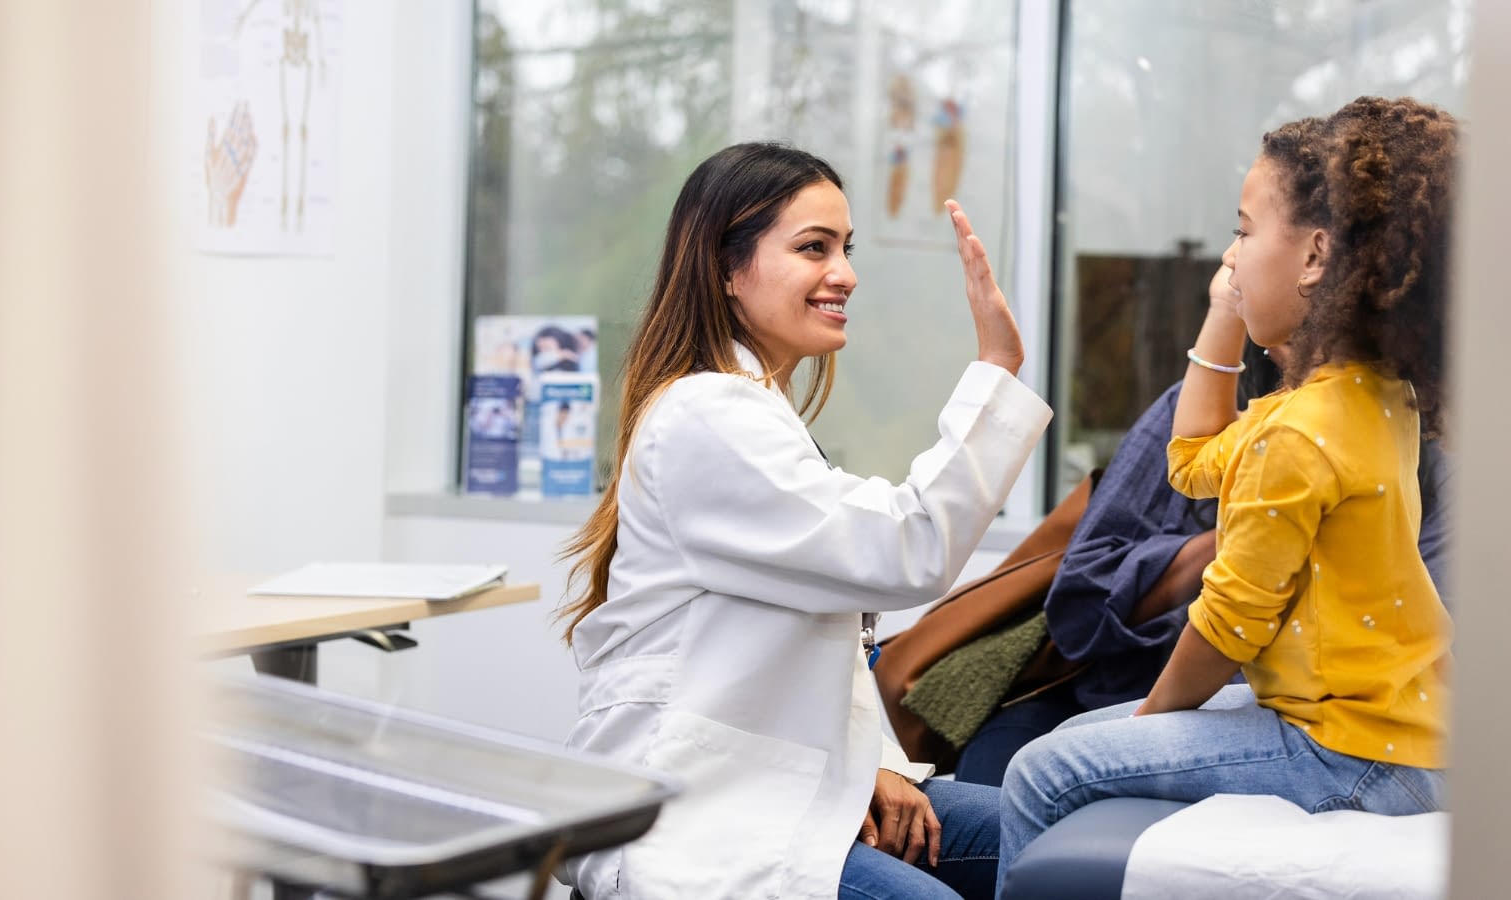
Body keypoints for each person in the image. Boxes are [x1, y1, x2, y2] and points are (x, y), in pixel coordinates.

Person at [557, 142, 1051, 899]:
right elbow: (900, 550)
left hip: (787, 788)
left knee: (1052, 837)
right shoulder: (706, 416)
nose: (845, 273)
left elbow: (832, 627)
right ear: (726, 270)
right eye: (812, 248)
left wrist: (877, 762)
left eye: (844, 249)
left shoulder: (755, 413)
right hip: (695, 818)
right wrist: (994, 370)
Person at [996, 96, 1458, 889]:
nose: (1231, 257)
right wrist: (1224, 313)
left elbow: (1225, 627)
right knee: (1071, 749)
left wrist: (1146, 729)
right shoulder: (1371, 396)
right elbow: (1193, 461)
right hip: (1393, 733)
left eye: (1244, 231)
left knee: (1042, 772)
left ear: (1315, 256)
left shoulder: (1297, 432)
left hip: (1351, 754)